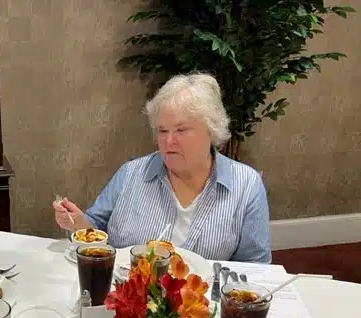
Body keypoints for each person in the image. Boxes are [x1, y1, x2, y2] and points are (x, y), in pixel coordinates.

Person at [53, 73, 271, 263]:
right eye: (162, 131)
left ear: (211, 130)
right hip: (128, 299)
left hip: (201, 306)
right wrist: (78, 223)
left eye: (181, 130)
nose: (169, 141)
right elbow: (95, 230)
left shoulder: (247, 186)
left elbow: (254, 267)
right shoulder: (131, 174)